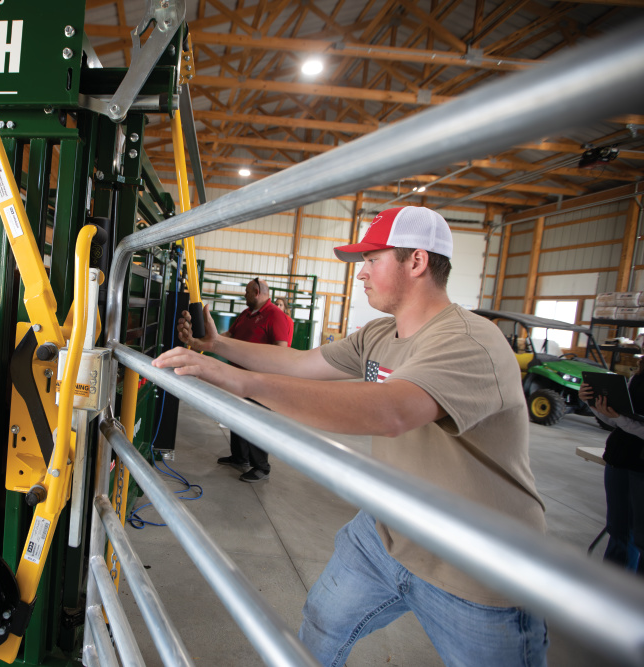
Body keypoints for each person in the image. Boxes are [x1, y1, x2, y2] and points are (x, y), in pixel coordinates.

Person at [154, 206, 549, 666]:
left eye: (372, 260)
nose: (361, 275)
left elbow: (391, 411)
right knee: (319, 629)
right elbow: (302, 363)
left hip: (477, 567)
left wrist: (238, 382)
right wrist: (217, 345)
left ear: (416, 262)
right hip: (386, 532)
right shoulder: (381, 334)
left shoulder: (469, 341)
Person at [217, 277, 293, 482]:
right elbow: (229, 335)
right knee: (236, 417)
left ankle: (261, 467)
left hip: (259, 381)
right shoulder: (245, 314)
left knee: (255, 421)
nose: (245, 295)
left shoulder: (275, 316)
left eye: (248, 292)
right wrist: (211, 339)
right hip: (238, 377)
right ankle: (239, 457)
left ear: (257, 292)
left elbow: (281, 349)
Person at [579, 359, 644, 573]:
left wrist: (620, 419)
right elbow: (616, 421)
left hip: (639, 468)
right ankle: (611, 591)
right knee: (618, 532)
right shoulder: (638, 376)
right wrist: (595, 406)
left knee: (638, 537)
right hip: (618, 460)